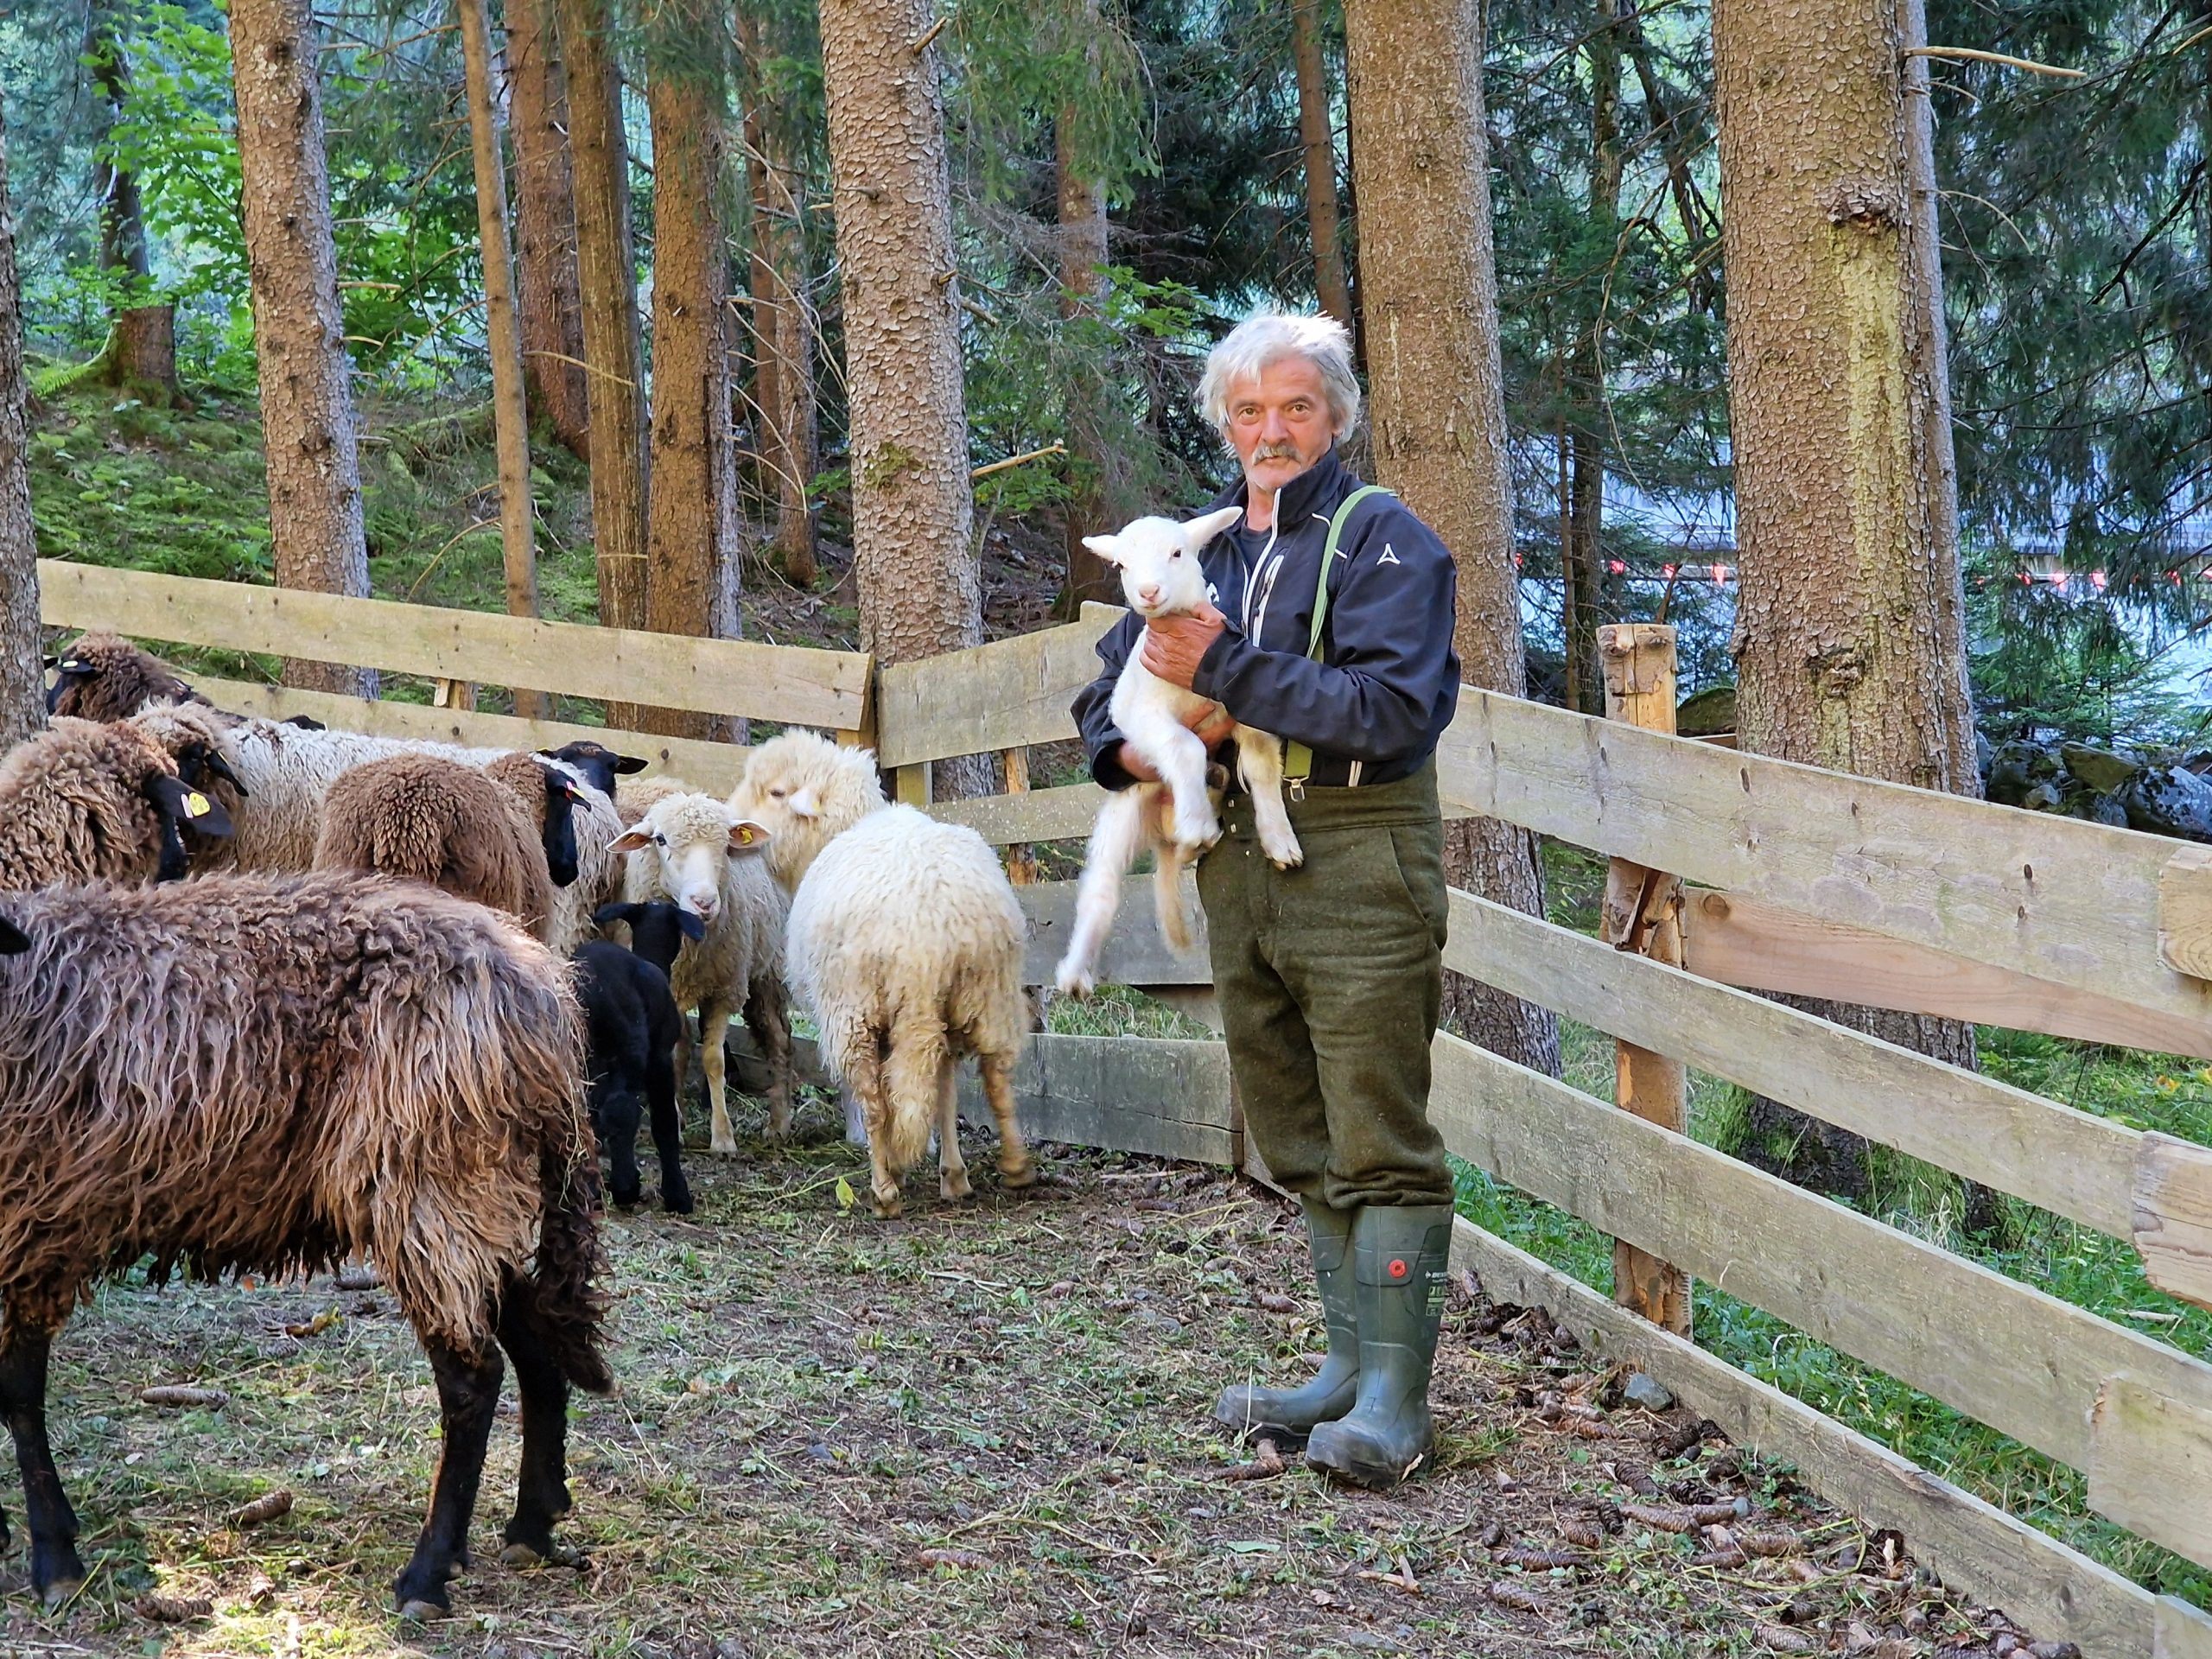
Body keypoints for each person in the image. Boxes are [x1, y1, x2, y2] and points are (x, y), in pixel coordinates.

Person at [1070, 309, 1461, 1488]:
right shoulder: (1197, 552)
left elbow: (1397, 709)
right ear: (1225, 425)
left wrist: (1225, 673)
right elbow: (1104, 694)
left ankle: (1397, 1400)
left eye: (1296, 407)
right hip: (1236, 859)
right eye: (1250, 412)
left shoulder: (1384, 540)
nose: (1272, 431)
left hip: (1355, 851)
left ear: (1335, 415)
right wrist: (1124, 752)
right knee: (1295, 1126)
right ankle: (1347, 1369)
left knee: (1378, 1128)